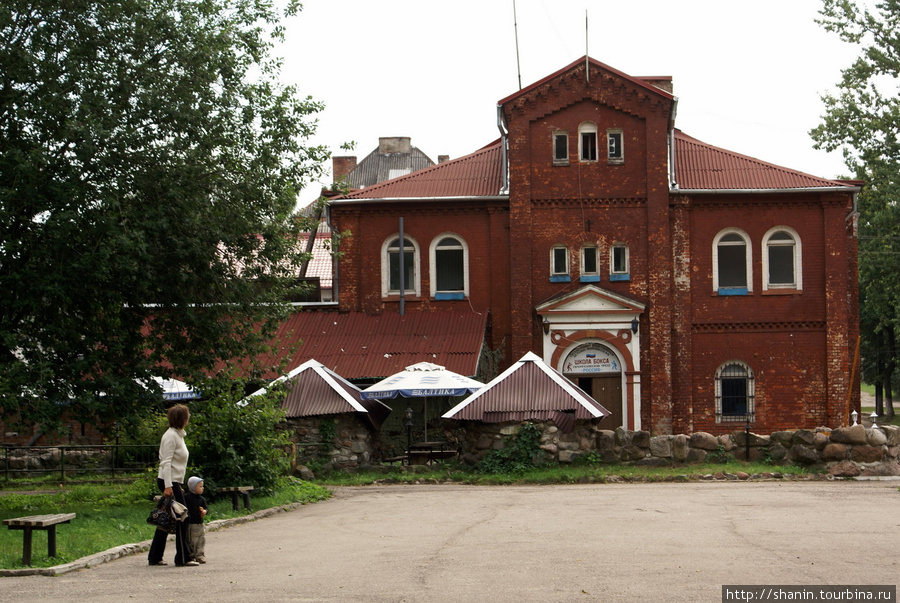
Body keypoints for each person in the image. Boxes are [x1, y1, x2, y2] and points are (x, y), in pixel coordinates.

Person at [148, 403, 198, 567]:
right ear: (182, 418)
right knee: (182, 516)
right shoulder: (170, 436)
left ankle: (155, 556)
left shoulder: (178, 435)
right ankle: (183, 557)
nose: (189, 418)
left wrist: (177, 484)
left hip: (173, 481)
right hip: (167, 481)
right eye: (187, 416)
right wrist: (169, 486)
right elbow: (166, 462)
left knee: (168, 516)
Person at [184, 476, 208, 564]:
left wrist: (204, 511)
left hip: (199, 522)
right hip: (191, 523)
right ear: (193, 487)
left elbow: (206, 508)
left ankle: (200, 555)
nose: (202, 488)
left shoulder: (201, 499)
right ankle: (191, 555)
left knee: (201, 539)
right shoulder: (186, 498)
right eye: (200, 486)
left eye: (202, 486)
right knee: (192, 540)